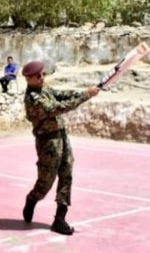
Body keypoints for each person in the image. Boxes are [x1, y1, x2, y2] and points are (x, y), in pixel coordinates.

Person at [21, 60, 100, 235]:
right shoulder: (34, 99)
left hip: (61, 136)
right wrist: (85, 96)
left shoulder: (44, 89)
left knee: (66, 174)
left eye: (43, 74)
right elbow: (57, 107)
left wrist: (84, 92)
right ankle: (32, 199)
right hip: (48, 142)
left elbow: (61, 95)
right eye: (39, 75)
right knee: (46, 181)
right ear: (29, 79)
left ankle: (60, 218)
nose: (43, 77)